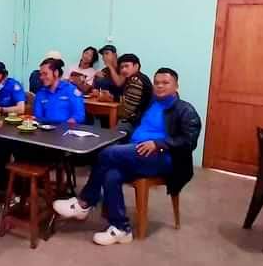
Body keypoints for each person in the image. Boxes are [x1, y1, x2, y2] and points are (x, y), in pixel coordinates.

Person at [53, 68, 201, 245]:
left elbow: (189, 141)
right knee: (111, 174)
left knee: (107, 153)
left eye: (165, 83)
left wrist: (159, 144)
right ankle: (121, 229)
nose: (160, 86)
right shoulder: (152, 103)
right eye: (157, 83)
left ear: (176, 86)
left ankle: (85, 202)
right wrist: (121, 133)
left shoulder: (185, 110)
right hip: (137, 152)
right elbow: (133, 121)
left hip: (164, 159)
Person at [33, 58, 85, 125]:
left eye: (45, 74)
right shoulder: (40, 93)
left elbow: (79, 116)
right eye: (41, 74)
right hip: (45, 129)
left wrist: (65, 126)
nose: (41, 77)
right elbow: (38, 117)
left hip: (67, 129)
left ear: (56, 73)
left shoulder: (71, 90)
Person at [115, 53, 153, 131]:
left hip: (138, 122)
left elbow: (128, 111)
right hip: (142, 118)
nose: (123, 70)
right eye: (121, 67)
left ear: (136, 66)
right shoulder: (141, 77)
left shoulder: (135, 80)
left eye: (126, 66)